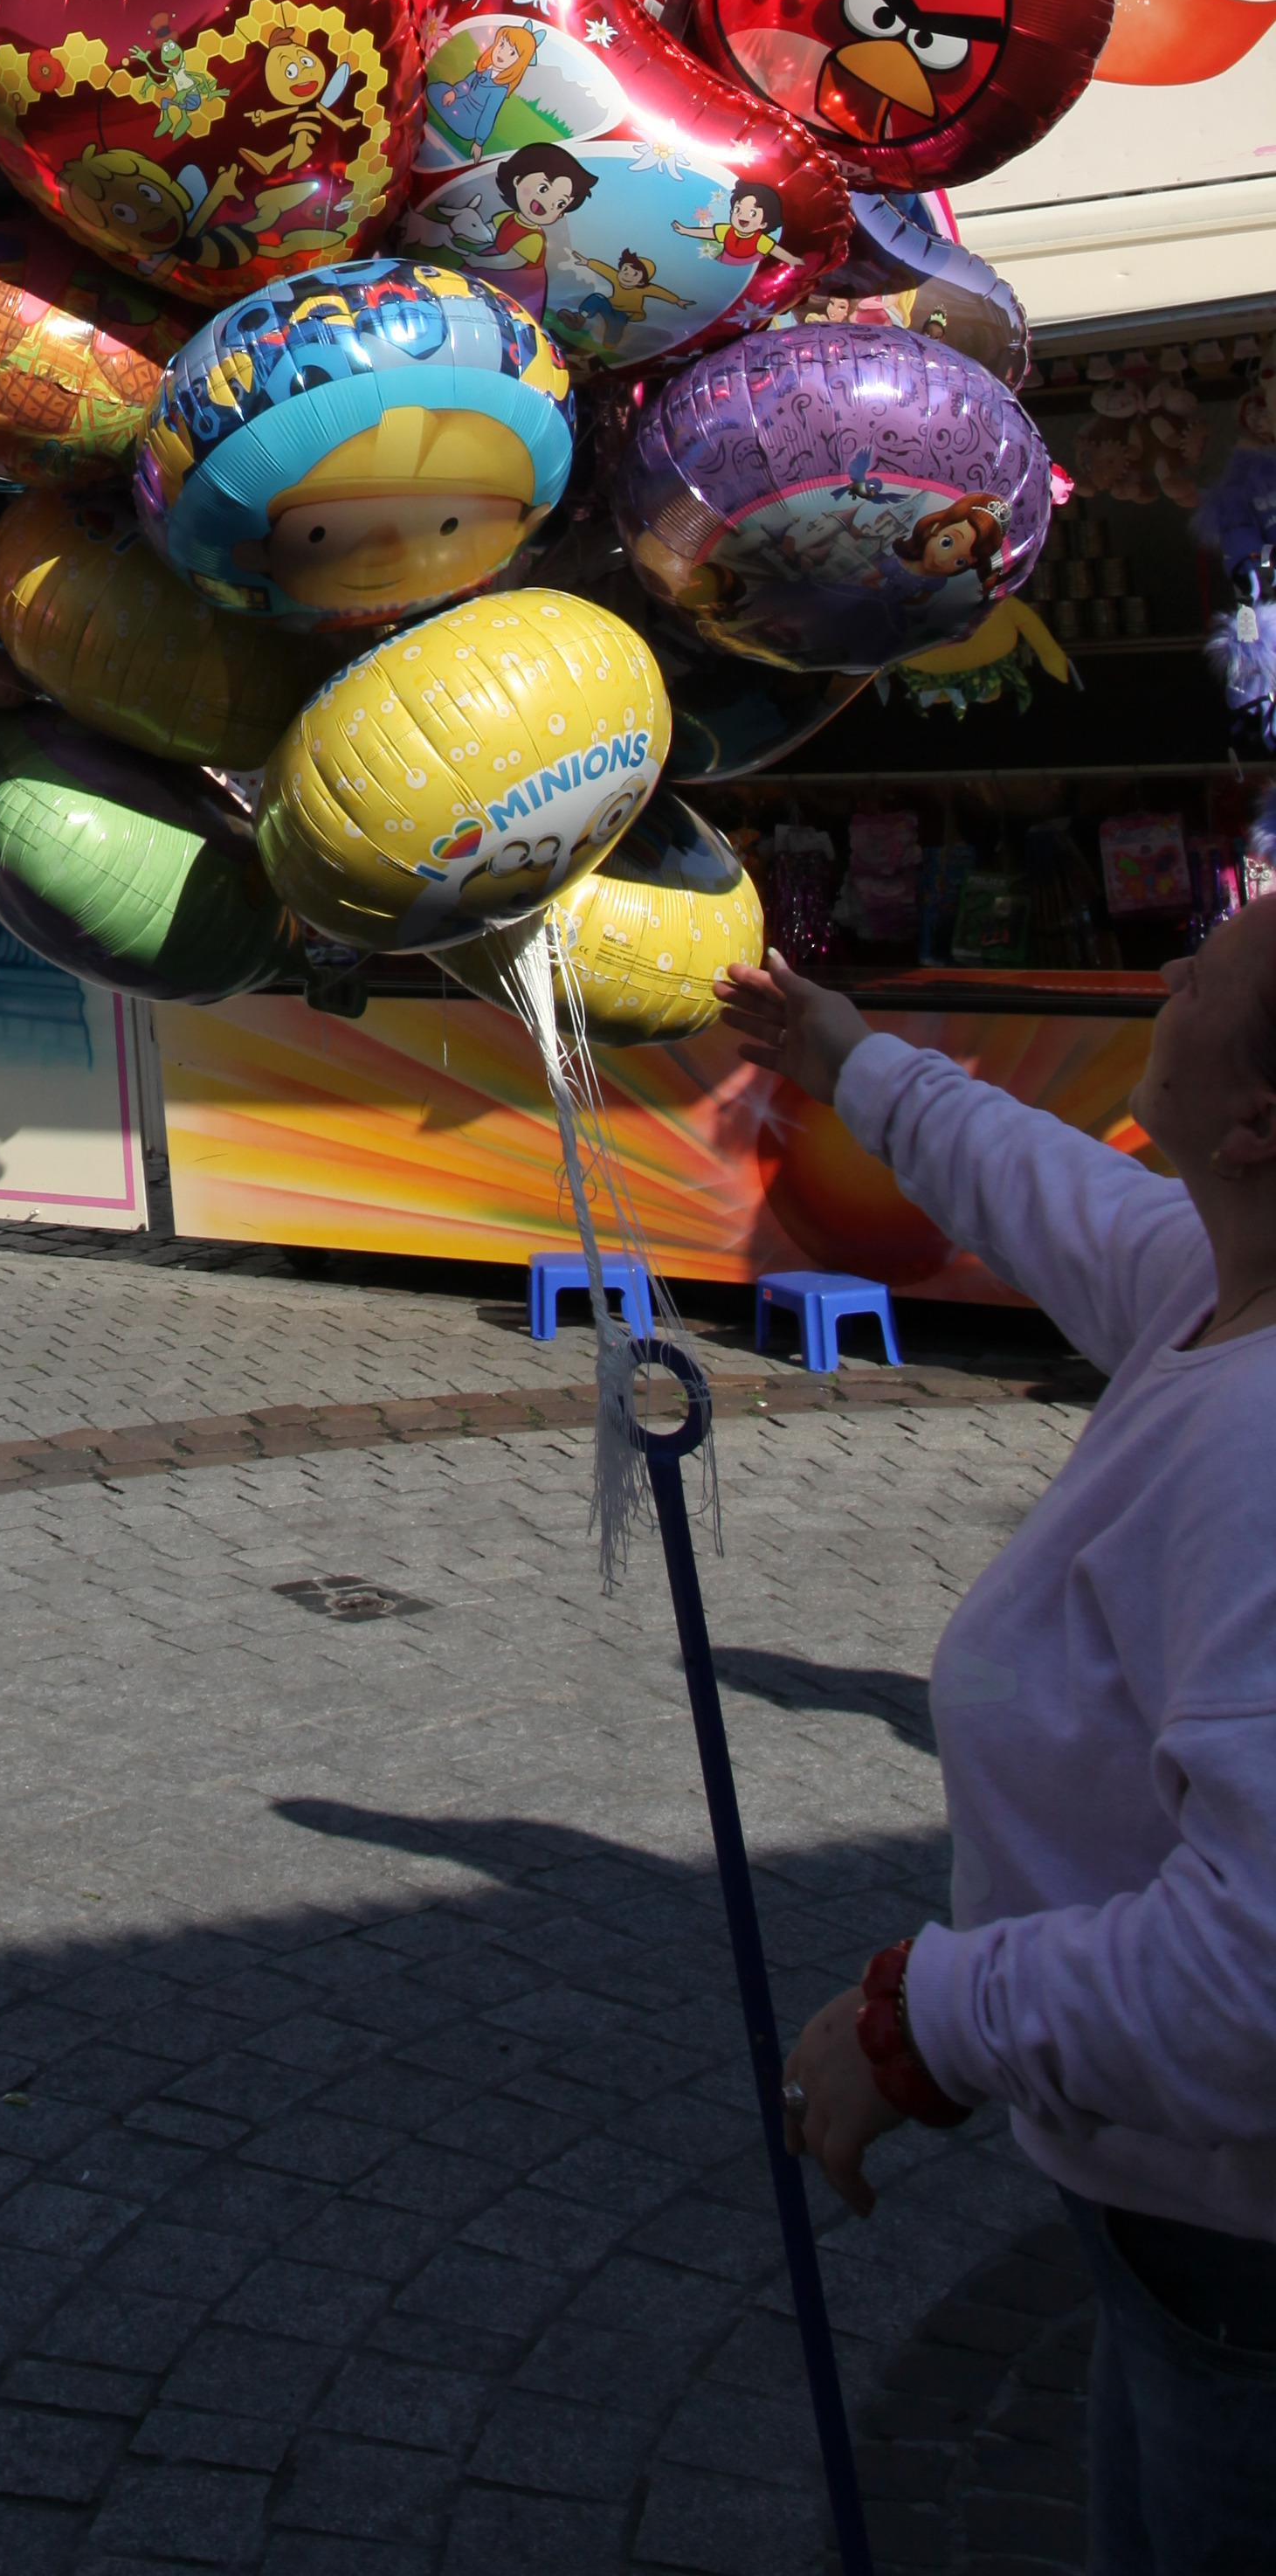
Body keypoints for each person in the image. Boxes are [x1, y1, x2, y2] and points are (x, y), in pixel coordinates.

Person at [716, 923, 1276, 2571]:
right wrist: (833, 1049)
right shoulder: (1210, 1283)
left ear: (1251, 1122)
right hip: (1177, 2239)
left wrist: (920, 2021)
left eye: (1204, 975)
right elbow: (1033, 1178)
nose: (1170, 964)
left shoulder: (1260, 1446)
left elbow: (1252, 1980)